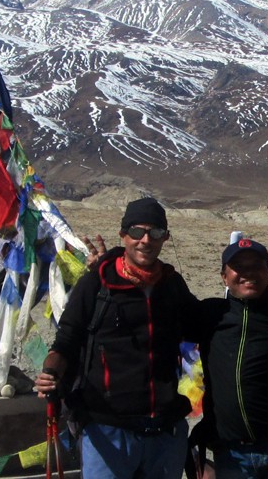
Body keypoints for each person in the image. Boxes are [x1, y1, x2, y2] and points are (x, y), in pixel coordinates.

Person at [36, 197, 197, 479]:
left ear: (165, 238)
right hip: (107, 431)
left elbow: (203, 326)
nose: (145, 240)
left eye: (156, 232)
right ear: (123, 235)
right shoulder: (97, 284)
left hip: (165, 431)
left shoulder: (172, 285)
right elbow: (66, 340)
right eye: (137, 232)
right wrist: (51, 373)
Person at [188, 235, 268, 479]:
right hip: (232, 452)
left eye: (256, 266)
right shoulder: (210, 314)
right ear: (224, 276)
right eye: (239, 268)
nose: (248, 273)